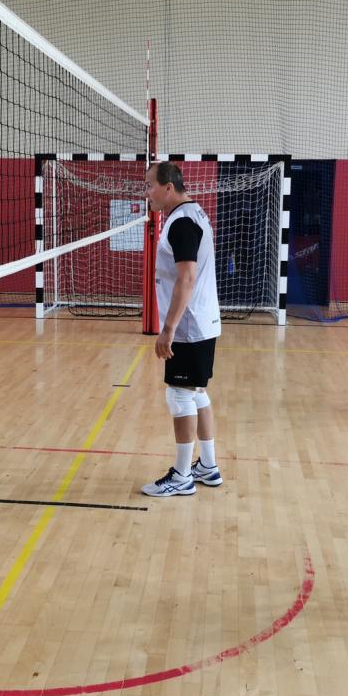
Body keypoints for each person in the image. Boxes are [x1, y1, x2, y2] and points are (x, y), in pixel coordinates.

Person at [140, 161, 223, 497]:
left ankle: (182, 475)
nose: (147, 192)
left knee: (179, 395)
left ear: (168, 188)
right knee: (196, 392)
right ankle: (208, 466)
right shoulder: (193, 213)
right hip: (202, 320)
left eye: (150, 185)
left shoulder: (182, 223)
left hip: (189, 324)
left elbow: (187, 278)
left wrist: (168, 328)